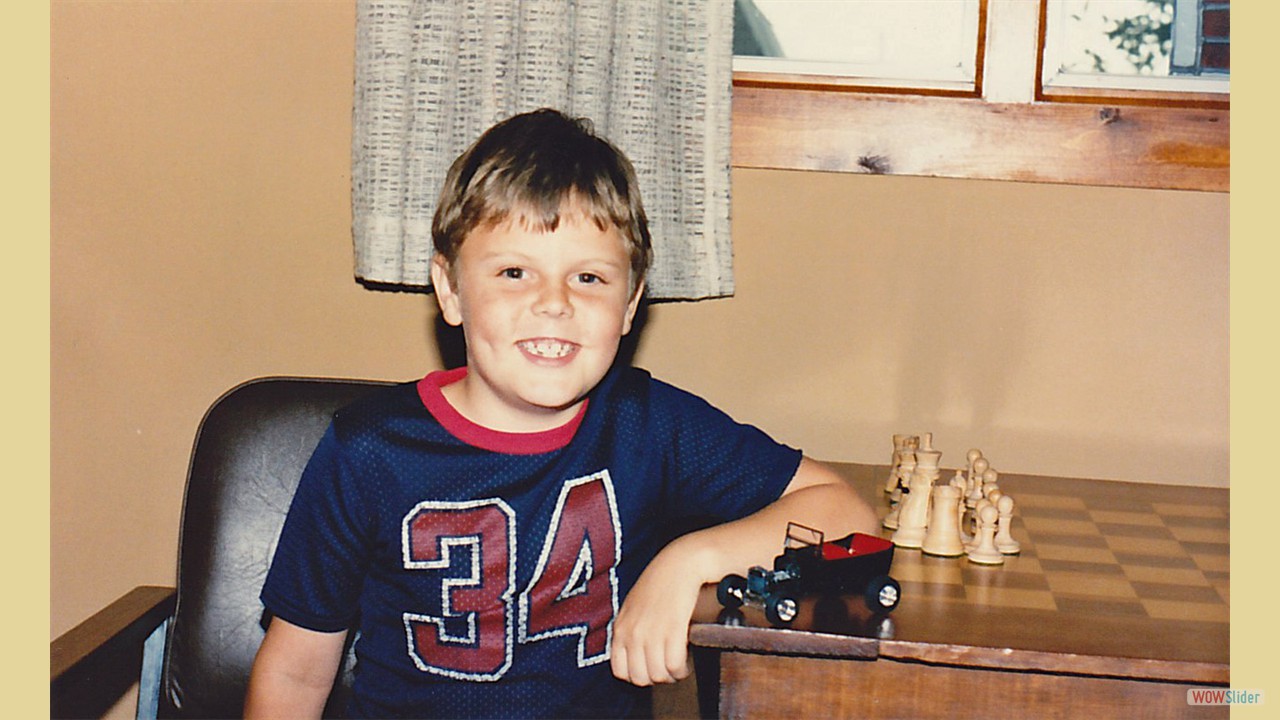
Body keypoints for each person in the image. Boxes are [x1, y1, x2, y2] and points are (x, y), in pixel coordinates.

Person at [244, 108, 878, 719]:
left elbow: (846, 513)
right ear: (450, 290)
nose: (553, 304)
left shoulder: (649, 426)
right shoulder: (369, 450)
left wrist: (688, 561)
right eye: (515, 272)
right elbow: (297, 669)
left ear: (630, 306)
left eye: (589, 279)